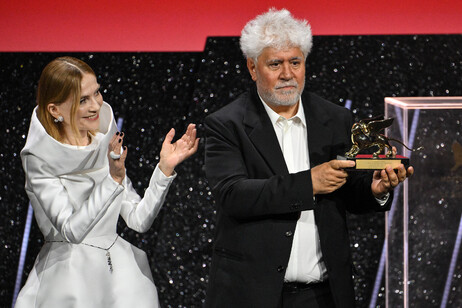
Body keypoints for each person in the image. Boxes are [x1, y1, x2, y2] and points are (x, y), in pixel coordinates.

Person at [204, 8, 413, 308]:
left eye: (295, 62)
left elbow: (349, 190)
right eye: (275, 63)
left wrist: (374, 190)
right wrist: (308, 184)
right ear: (252, 67)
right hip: (252, 296)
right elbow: (232, 194)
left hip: (324, 296)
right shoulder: (226, 124)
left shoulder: (335, 118)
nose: (287, 74)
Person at [15, 56, 199, 308]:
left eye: (97, 92)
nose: (96, 105)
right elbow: (71, 231)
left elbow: (139, 220)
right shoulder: (39, 159)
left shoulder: (104, 142)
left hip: (119, 276)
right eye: (83, 100)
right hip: (68, 279)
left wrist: (164, 169)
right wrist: (112, 180)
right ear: (54, 110)